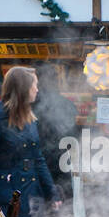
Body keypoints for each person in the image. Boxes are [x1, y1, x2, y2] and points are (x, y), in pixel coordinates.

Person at [0, 66, 61, 217]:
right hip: (7, 197)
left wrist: (52, 193)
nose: (36, 89)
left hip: (32, 196)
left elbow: (38, 159)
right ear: (23, 88)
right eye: (34, 85)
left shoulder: (30, 120)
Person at [34, 62, 78, 200]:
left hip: (39, 168)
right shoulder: (67, 105)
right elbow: (73, 136)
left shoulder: (30, 106)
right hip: (62, 165)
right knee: (63, 214)